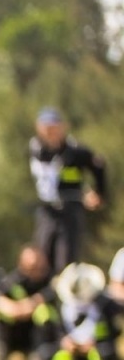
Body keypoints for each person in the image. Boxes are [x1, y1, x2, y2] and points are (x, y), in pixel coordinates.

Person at [28, 108, 106, 272]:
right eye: (46, 127)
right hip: (47, 210)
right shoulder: (35, 149)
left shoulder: (75, 151)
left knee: (66, 260)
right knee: (41, 258)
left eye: (53, 127)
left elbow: (99, 166)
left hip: (70, 209)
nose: (50, 132)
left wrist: (98, 193)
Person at [40, 262, 120, 360]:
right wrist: (65, 342)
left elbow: (113, 331)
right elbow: (55, 331)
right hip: (70, 350)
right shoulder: (61, 306)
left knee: (106, 352)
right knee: (45, 353)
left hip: (95, 349)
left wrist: (94, 344)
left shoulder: (104, 304)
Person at [0, 243, 57, 360]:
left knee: (43, 312)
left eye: (37, 265)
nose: (34, 268)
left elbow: (51, 293)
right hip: (16, 329)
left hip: (40, 334)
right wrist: (12, 308)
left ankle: (38, 359)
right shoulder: (14, 279)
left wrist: (32, 304)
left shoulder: (51, 279)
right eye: (30, 266)